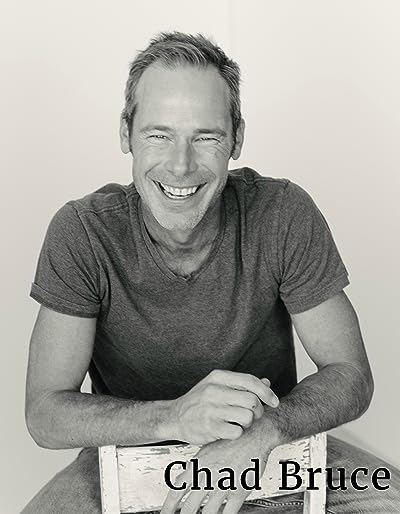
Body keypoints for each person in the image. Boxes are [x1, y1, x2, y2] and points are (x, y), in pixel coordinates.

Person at [22, 32, 399, 513]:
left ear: (236, 138)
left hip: (267, 450)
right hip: (124, 459)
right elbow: (44, 412)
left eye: (206, 137)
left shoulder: (282, 212)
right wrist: (176, 417)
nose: (180, 166)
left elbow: (350, 373)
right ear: (125, 133)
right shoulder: (83, 231)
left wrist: (267, 429)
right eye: (159, 135)